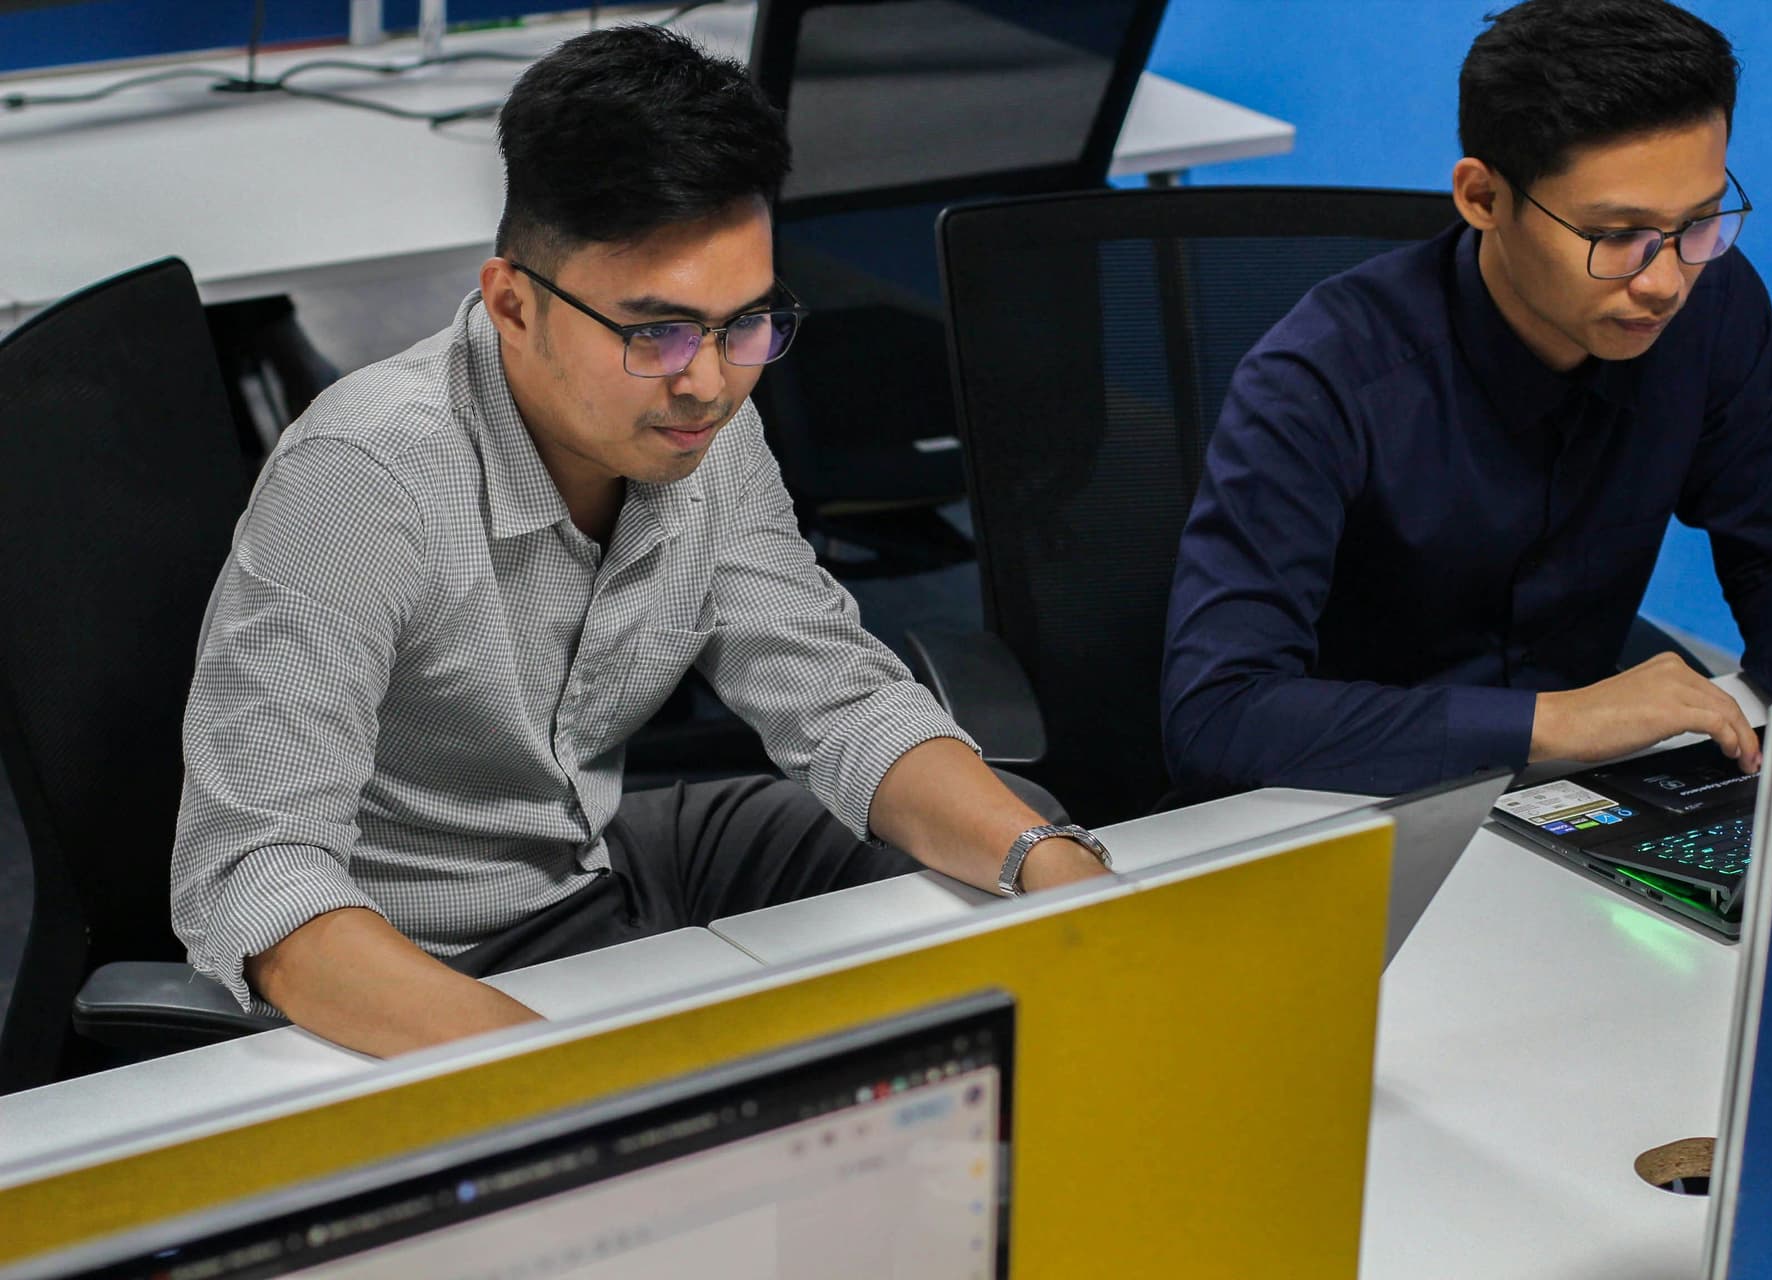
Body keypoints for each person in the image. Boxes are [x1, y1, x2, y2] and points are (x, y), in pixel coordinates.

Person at [171, 25, 1110, 1059]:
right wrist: (586, 1079)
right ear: (513, 303)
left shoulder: (697, 423)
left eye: (745, 321)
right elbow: (259, 872)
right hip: (422, 946)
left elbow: (833, 692)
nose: (708, 380)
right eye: (653, 332)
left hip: (595, 862)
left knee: (1013, 844)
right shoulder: (365, 478)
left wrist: (1054, 863)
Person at [1161, 0, 1772, 798]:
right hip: (1342, 804)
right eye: (1616, 235)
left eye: (1699, 223)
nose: (1666, 280)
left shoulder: (1716, 309)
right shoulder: (1322, 378)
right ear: (1483, 199)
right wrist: (1555, 721)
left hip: (1571, 796)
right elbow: (1219, 717)